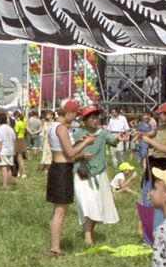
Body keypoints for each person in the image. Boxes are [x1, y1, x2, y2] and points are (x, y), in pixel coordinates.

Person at [72, 105, 119, 245]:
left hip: (99, 173)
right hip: (81, 173)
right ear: (85, 120)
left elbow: (113, 141)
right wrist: (81, 156)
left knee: (96, 204)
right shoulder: (77, 134)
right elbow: (70, 154)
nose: (95, 120)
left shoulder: (102, 133)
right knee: (87, 202)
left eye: (96, 117)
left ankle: (89, 232)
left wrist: (119, 138)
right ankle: (87, 236)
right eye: (91, 118)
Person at [45, 100, 85, 255]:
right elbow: (71, 153)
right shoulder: (61, 128)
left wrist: (78, 141)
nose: (75, 117)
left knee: (58, 210)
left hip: (57, 167)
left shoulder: (54, 126)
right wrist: (86, 142)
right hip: (62, 169)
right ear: (68, 113)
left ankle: (55, 245)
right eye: (75, 114)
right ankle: (55, 247)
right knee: (60, 211)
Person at [0, 114, 16, 188]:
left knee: (3, 167)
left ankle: (4, 184)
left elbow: (0, 142)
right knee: (9, 168)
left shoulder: (0, 130)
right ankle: (9, 183)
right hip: (10, 149)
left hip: (3, 150)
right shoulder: (10, 128)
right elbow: (14, 140)